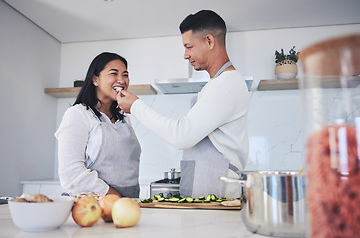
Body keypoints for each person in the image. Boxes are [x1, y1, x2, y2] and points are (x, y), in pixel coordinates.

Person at [117, 10, 249, 198]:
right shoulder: (219, 84)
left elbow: (182, 135)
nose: (185, 55)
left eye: (189, 46)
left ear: (209, 41)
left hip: (218, 189)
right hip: (211, 184)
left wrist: (136, 106)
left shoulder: (225, 85)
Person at [55, 52, 141, 198]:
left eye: (125, 75)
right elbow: (71, 173)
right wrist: (114, 198)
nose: (121, 80)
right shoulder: (78, 114)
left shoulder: (124, 119)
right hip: (95, 203)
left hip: (128, 202)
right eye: (114, 73)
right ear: (95, 79)